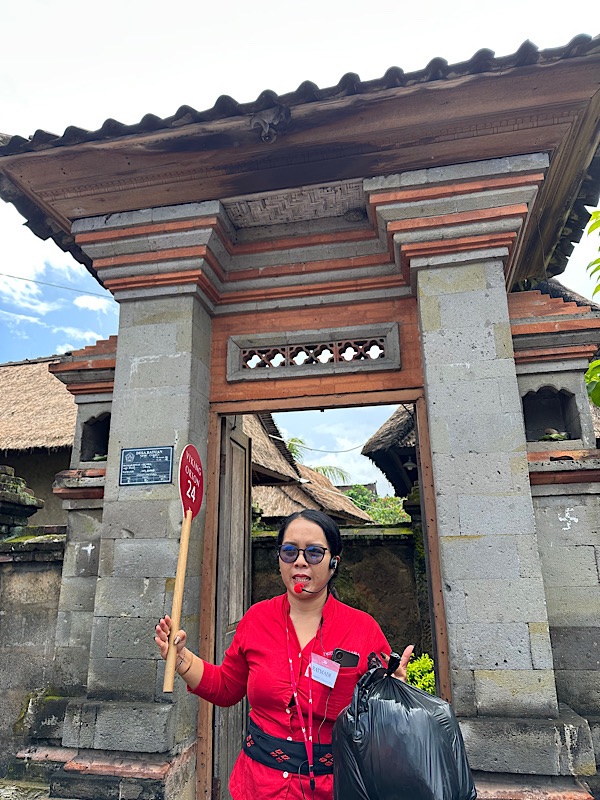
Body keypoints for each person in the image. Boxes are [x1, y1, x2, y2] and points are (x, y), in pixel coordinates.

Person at [155, 509, 414, 800]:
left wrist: (396, 691)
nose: (300, 561)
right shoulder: (256, 619)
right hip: (257, 786)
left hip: (334, 789)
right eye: (290, 551)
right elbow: (226, 688)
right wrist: (181, 658)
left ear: (334, 563)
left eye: (314, 552)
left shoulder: (362, 629)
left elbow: (384, 722)